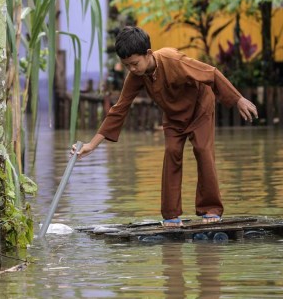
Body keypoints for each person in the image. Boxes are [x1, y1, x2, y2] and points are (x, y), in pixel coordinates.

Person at [72, 26, 258, 227]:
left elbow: (211, 73)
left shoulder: (172, 60)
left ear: (148, 54)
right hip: (173, 115)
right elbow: (119, 109)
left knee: (203, 151)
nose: (132, 69)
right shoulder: (136, 76)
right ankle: (170, 214)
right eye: (127, 66)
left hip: (199, 108)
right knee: (172, 152)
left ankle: (210, 209)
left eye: (135, 63)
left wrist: (238, 99)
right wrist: (92, 145)